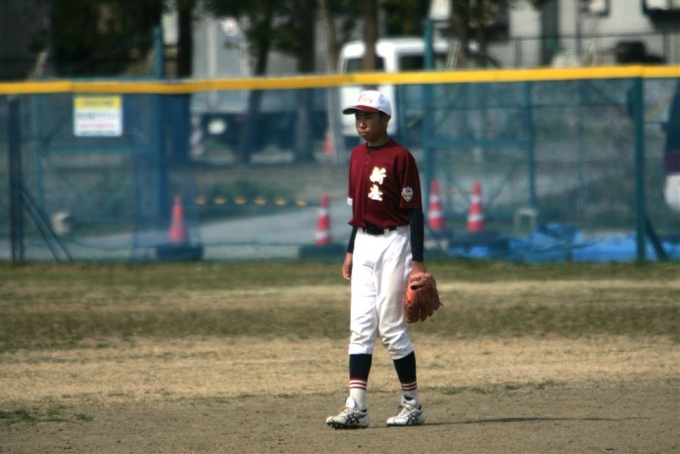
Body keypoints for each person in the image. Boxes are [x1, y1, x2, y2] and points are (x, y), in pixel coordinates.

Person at [325, 90, 427, 429]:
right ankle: (357, 406)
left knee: (392, 329)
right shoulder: (356, 156)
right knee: (360, 327)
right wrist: (351, 250)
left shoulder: (401, 157)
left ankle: (411, 404)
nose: (361, 123)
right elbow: (357, 210)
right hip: (364, 243)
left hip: (395, 242)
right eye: (357, 117)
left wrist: (418, 261)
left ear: (385, 119)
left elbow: (415, 212)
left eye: (368, 116)